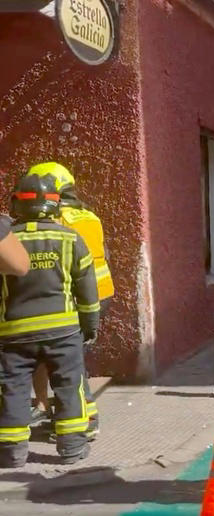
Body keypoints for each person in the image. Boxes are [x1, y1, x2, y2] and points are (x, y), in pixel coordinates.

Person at [0, 174, 99, 468]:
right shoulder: (70, 239)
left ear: (17, 204)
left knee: (14, 389)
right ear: (54, 205)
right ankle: (71, 447)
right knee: (69, 385)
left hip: (14, 333)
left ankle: (12, 452)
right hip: (63, 332)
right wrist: (90, 325)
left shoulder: (7, 241)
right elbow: (87, 289)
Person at [26, 162, 113, 439]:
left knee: (67, 361)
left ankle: (86, 420)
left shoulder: (56, 220)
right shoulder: (88, 215)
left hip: (75, 298)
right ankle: (52, 408)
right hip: (100, 294)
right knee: (65, 357)